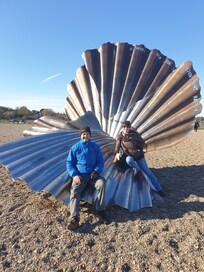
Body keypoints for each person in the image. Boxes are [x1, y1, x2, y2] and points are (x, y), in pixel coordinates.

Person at [66, 126, 109, 230]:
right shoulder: (75, 147)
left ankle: (100, 211)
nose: (85, 136)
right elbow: (69, 163)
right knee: (75, 191)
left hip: (93, 175)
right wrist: (75, 175)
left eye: (87, 134)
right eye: (83, 134)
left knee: (102, 183)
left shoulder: (95, 147)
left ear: (90, 135)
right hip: (80, 176)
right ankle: (74, 218)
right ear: (81, 135)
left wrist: (96, 171)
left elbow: (100, 161)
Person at [114, 121, 165, 197]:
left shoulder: (135, 134)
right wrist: (116, 153)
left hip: (138, 156)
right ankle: (138, 170)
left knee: (148, 172)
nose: (126, 128)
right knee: (128, 160)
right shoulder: (120, 136)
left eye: (127, 127)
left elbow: (142, 143)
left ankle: (159, 189)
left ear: (130, 127)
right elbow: (117, 146)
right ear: (122, 128)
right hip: (129, 156)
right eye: (124, 127)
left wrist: (140, 150)